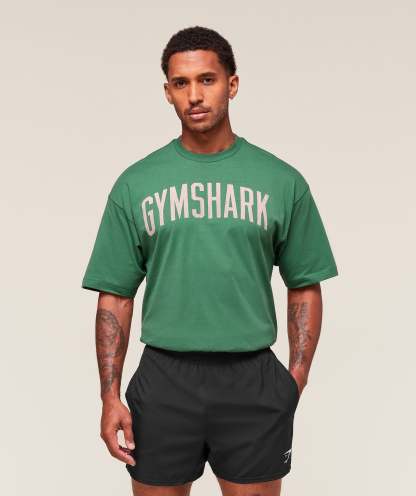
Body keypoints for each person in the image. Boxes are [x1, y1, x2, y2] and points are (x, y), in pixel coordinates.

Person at [81, 25, 339, 496]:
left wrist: (295, 379)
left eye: (207, 79)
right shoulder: (136, 184)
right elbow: (115, 296)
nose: (194, 95)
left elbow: (305, 282)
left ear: (232, 84)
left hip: (251, 377)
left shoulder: (281, 181)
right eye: (181, 83)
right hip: (164, 377)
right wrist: (109, 395)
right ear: (167, 92)